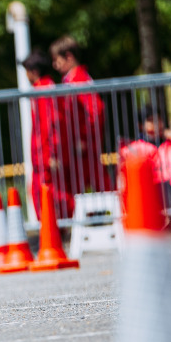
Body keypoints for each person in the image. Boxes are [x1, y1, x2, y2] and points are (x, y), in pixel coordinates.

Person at [120, 105, 171, 245]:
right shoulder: (139, 146)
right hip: (157, 185)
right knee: (170, 186)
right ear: (142, 125)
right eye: (151, 121)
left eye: (159, 121)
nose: (157, 125)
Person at [50, 35, 113, 194]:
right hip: (78, 144)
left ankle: (117, 210)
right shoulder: (72, 79)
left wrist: (85, 138)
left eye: (57, 60)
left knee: (95, 179)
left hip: (83, 145)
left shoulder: (79, 79)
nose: (55, 65)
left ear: (69, 57)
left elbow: (96, 109)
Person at [23, 49, 72, 218]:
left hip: (45, 155)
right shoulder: (44, 88)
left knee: (47, 194)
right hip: (43, 154)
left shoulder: (44, 90)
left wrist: (51, 153)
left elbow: (51, 124)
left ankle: (56, 231)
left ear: (34, 71)